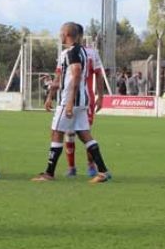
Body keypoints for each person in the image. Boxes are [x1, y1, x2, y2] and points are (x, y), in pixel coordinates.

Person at [32, 22, 111, 184]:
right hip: (82, 100)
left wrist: (68, 103)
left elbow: (75, 75)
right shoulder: (82, 51)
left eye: (61, 33)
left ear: (67, 34)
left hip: (71, 100)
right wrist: (51, 95)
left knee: (56, 132)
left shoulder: (72, 52)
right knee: (84, 134)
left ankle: (49, 173)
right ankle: (103, 171)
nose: (60, 35)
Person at [58, 26, 106, 178]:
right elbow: (59, 76)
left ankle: (92, 165)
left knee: (83, 132)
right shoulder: (66, 53)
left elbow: (98, 75)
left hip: (84, 98)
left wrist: (101, 96)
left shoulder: (90, 53)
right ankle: (72, 167)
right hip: (74, 97)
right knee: (71, 133)